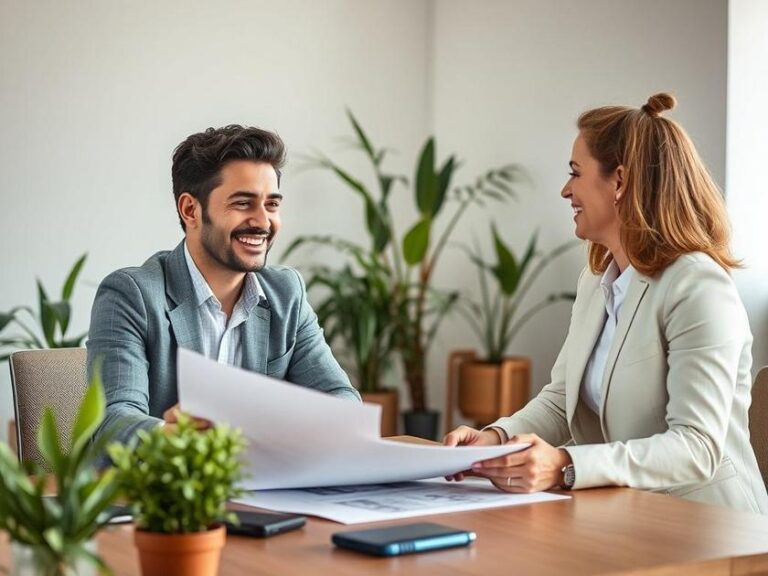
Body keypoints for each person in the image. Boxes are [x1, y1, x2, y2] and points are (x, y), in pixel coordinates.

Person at [444, 93, 768, 514]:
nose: (566, 190)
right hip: (629, 515)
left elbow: (696, 447)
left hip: (713, 528)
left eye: (575, 173)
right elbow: (563, 399)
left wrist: (564, 464)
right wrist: (494, 440)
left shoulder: (697, 286)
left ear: (619, 181)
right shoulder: (599, 280)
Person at [88, 125, 360, 445]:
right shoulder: (131, 295)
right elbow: (113, 422)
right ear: (191, 210)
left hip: (264, 489)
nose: (263, 222)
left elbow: (339, 397)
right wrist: (176, 437)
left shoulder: (286, 292)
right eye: (243, 203)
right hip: (168, 490)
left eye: (272, 204)